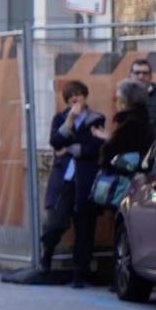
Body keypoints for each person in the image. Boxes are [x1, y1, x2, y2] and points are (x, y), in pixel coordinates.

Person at [39, 80, 108, 287]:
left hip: (85, 178)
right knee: (55, 223)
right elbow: (55, 141)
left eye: (78, 95)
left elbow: (94, 147)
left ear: (85, 96)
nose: (74, 99)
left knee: (85, 228)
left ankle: (80, 273)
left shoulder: (96, 118)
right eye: (70, 97)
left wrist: (70, 149)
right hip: (64, 180)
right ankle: (47, 254)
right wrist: (70, 120)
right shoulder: (60, 118)